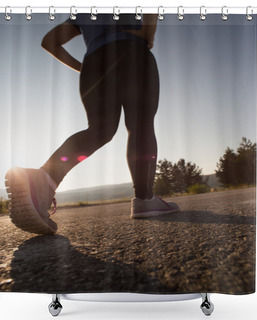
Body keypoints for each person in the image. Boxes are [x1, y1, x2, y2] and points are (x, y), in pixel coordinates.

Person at [5, 13, 179, 235]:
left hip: (93, 64)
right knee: (140, 125)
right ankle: (145, 199)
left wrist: (84, 67)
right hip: (131, 52)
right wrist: (147, 33)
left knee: (99, 130)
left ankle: (42, 180)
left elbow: (49, 41)